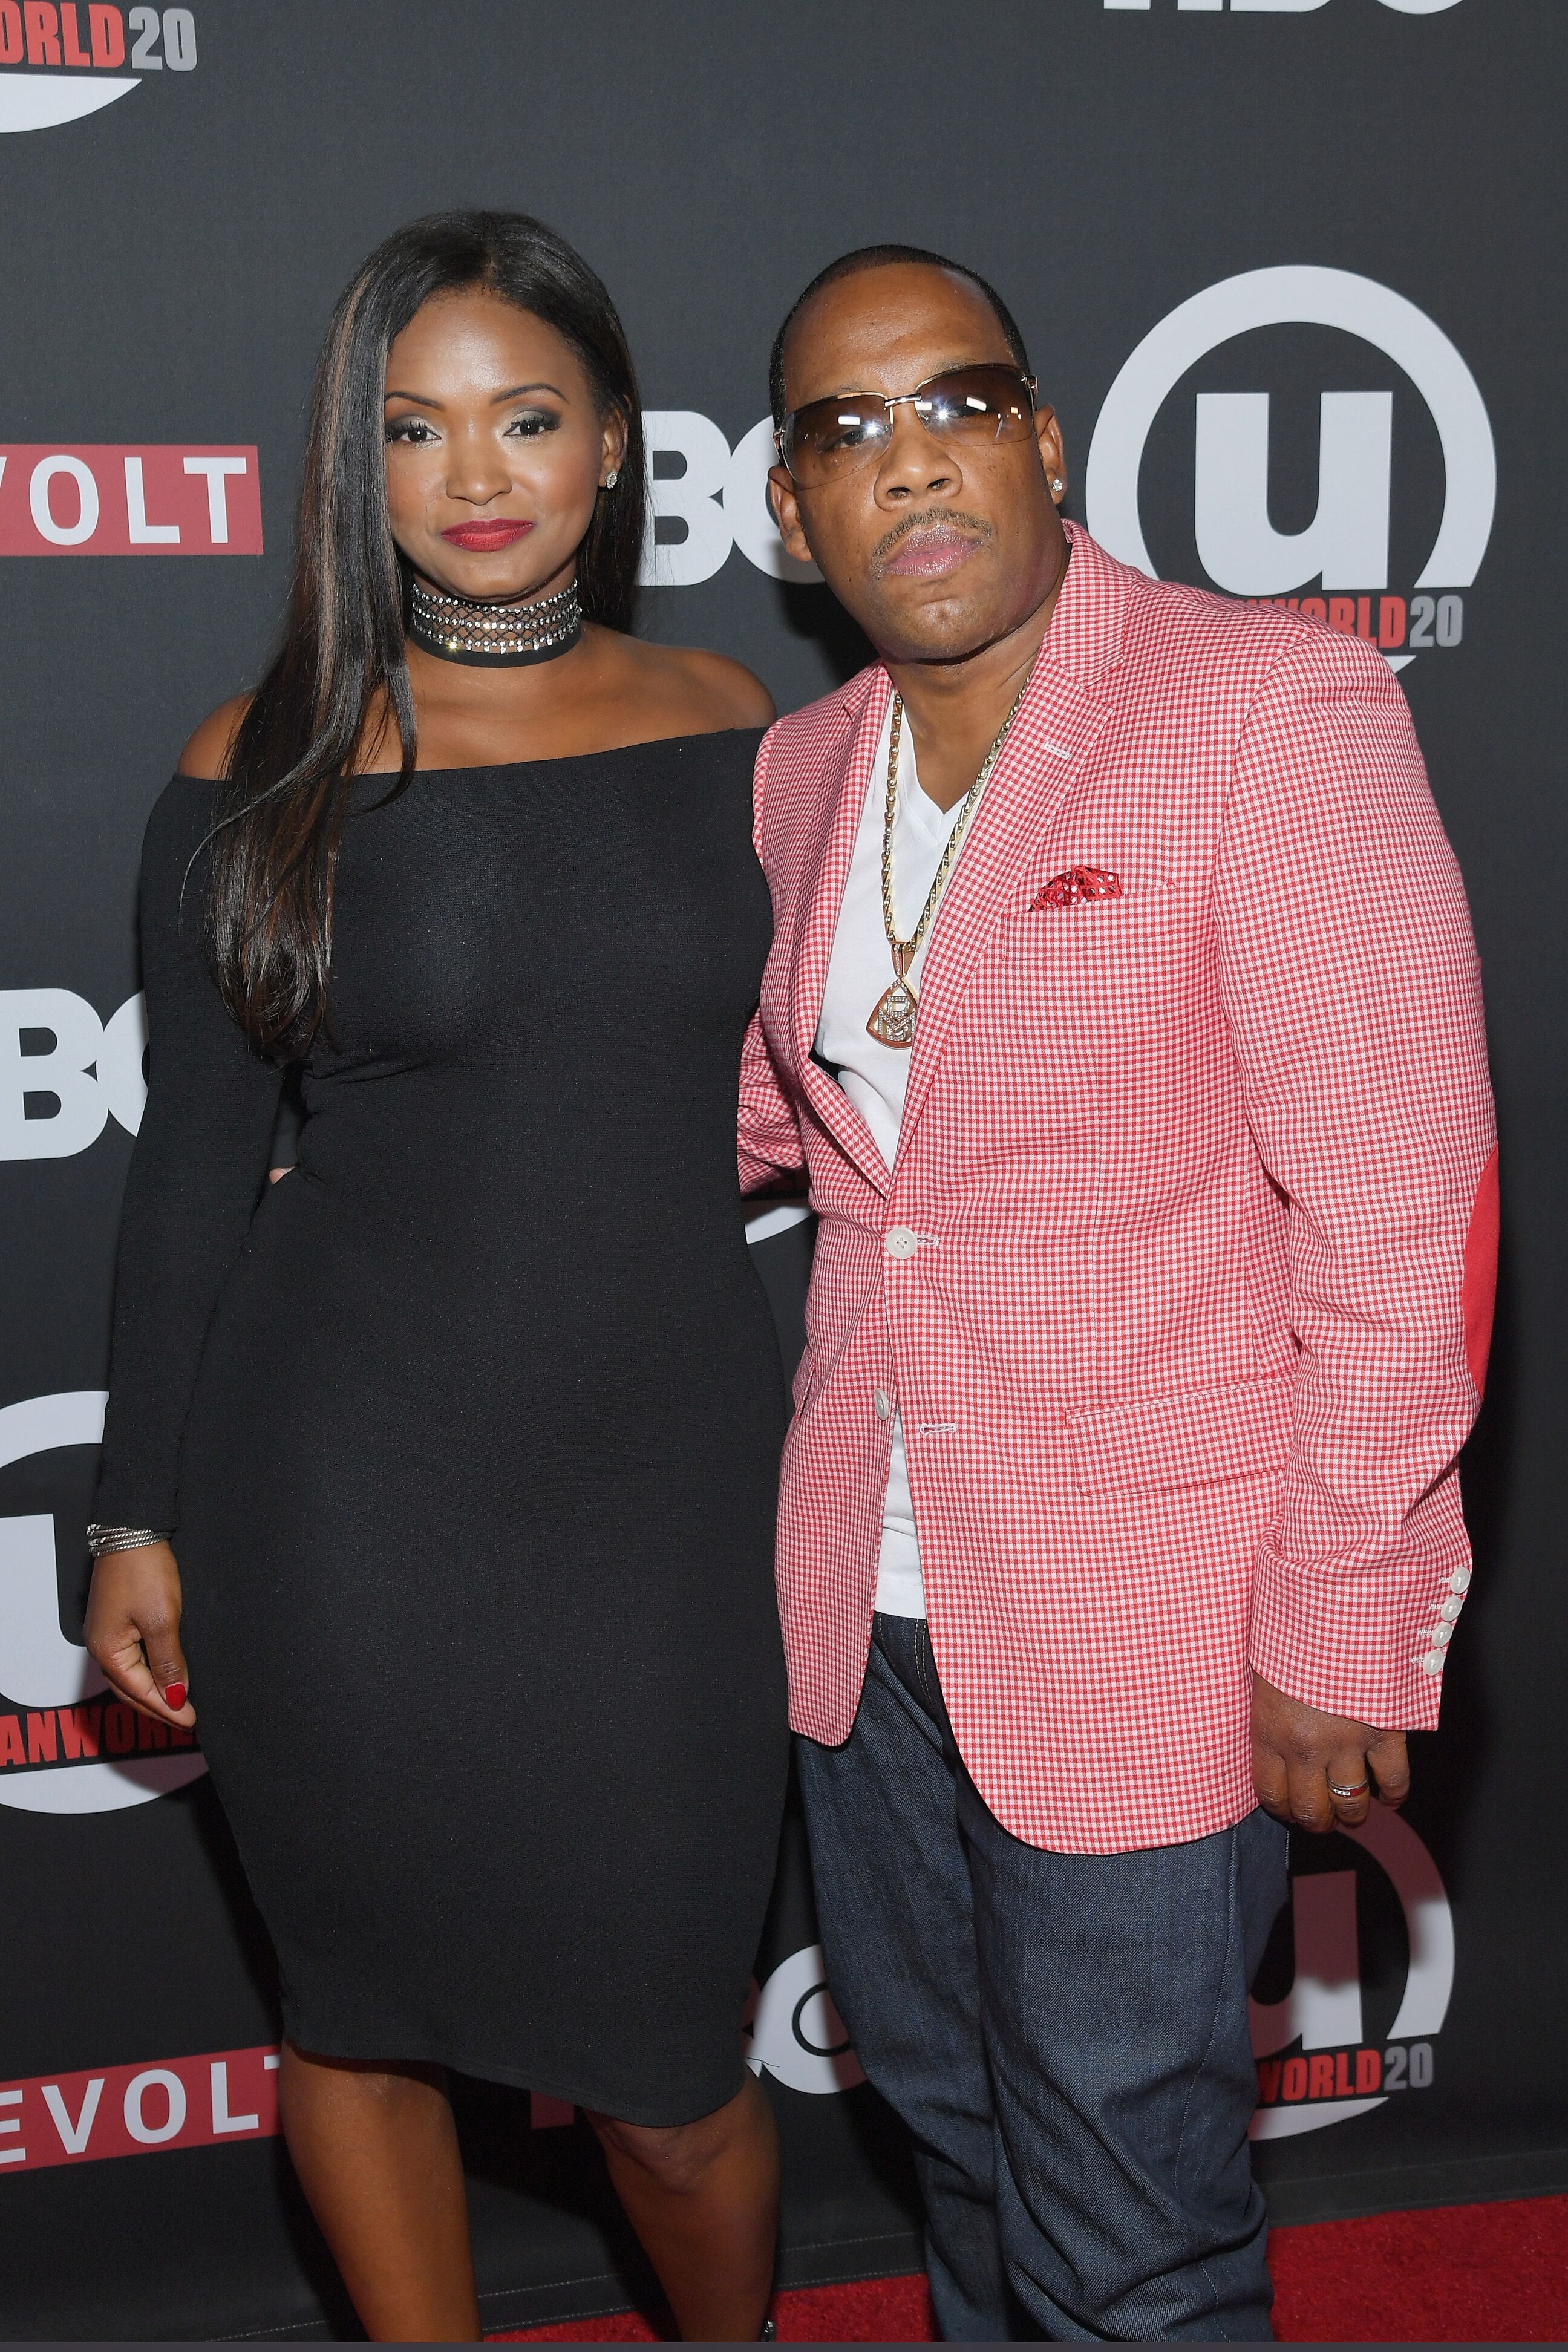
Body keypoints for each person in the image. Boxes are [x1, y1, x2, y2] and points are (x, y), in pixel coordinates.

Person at [739, 244, 1497, 2342]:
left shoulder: (1266, 707)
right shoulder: (804, 774)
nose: (913, 468)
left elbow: (1399, 1206)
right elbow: (783, 1120)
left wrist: (1348, 1612)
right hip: (868, 1605)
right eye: (846, 432)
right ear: (790, 513)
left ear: (1046, 440)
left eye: (958, 403)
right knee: (967, 2143)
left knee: (1131, 2221)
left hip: (1153, 1611)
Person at [83, 211, 788, 2345]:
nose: (476, 474)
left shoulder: (739, 716)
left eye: (527, 416)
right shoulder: (255, 768)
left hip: (664, 1490)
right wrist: (134, 1508)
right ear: (353, 467)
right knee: (360, 2017)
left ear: (610, 448)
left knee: (673, 2082)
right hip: (348, 1500)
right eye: (414, 427)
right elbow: (191, 1178)